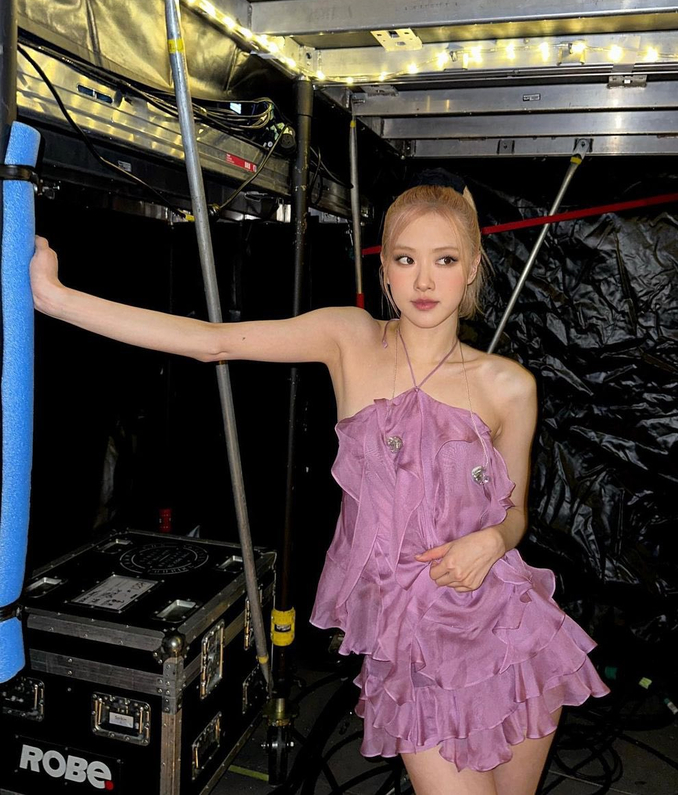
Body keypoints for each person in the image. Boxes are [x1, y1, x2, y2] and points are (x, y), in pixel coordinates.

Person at [30, 181, 610, 795]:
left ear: (471, 269)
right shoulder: (351, 338)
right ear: (384, 269)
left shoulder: (509, 385)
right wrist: (57, 299)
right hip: (409, 637)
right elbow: (211, 340)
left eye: (445, 259)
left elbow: (514, 514)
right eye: (406, 258)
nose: (424, 280)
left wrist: (492, 540)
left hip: (508, 625)